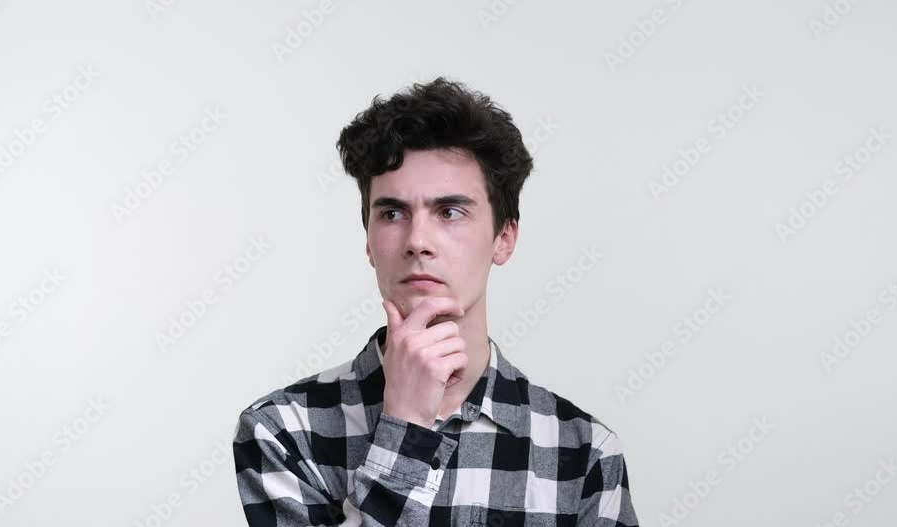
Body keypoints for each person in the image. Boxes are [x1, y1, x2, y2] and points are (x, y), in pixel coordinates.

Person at [232, 77, 639, 526]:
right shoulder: (283, 430)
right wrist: (405, 425)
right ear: (368, 241)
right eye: (392, 213)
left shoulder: (582, 453)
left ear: (504, 238)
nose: (417, 241)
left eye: (450, 212)